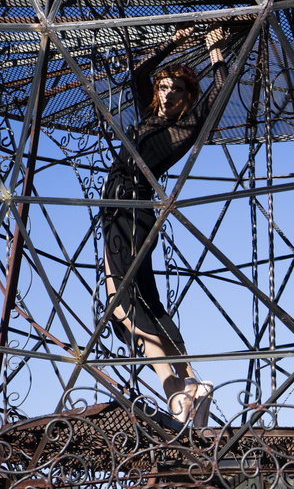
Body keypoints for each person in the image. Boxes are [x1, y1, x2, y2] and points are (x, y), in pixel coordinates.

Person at [101, 23, 228, 425]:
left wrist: (215, 52)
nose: (168, 94)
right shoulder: (150, 117)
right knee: (145, 302)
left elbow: (217, 93)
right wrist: (177, 42)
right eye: (165, 87)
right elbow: (138, 74)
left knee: (120, 304)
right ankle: (191, 382)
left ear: (187, 100)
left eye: (177, 91)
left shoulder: (183, 128)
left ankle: (175, 392)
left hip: (129, 209)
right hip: (127, 211)